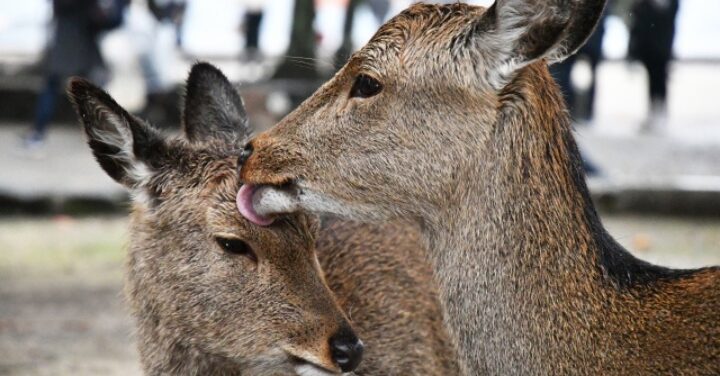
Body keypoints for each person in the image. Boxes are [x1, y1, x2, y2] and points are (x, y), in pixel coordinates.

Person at [23, 0, 117, 149]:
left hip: (71, 43)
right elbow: (103, 20)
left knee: (57, 88)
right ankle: (99, 134)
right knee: (85, 92)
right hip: (78, 45)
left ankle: (38, 132)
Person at [628, 0, 679, 132]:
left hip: (661, 48)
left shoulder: (669, 5)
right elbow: (639, 23)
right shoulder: (644, 5)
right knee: (652, 78)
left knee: (660, 78)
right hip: (649, 48)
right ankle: (653, 111)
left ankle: (660, 112)